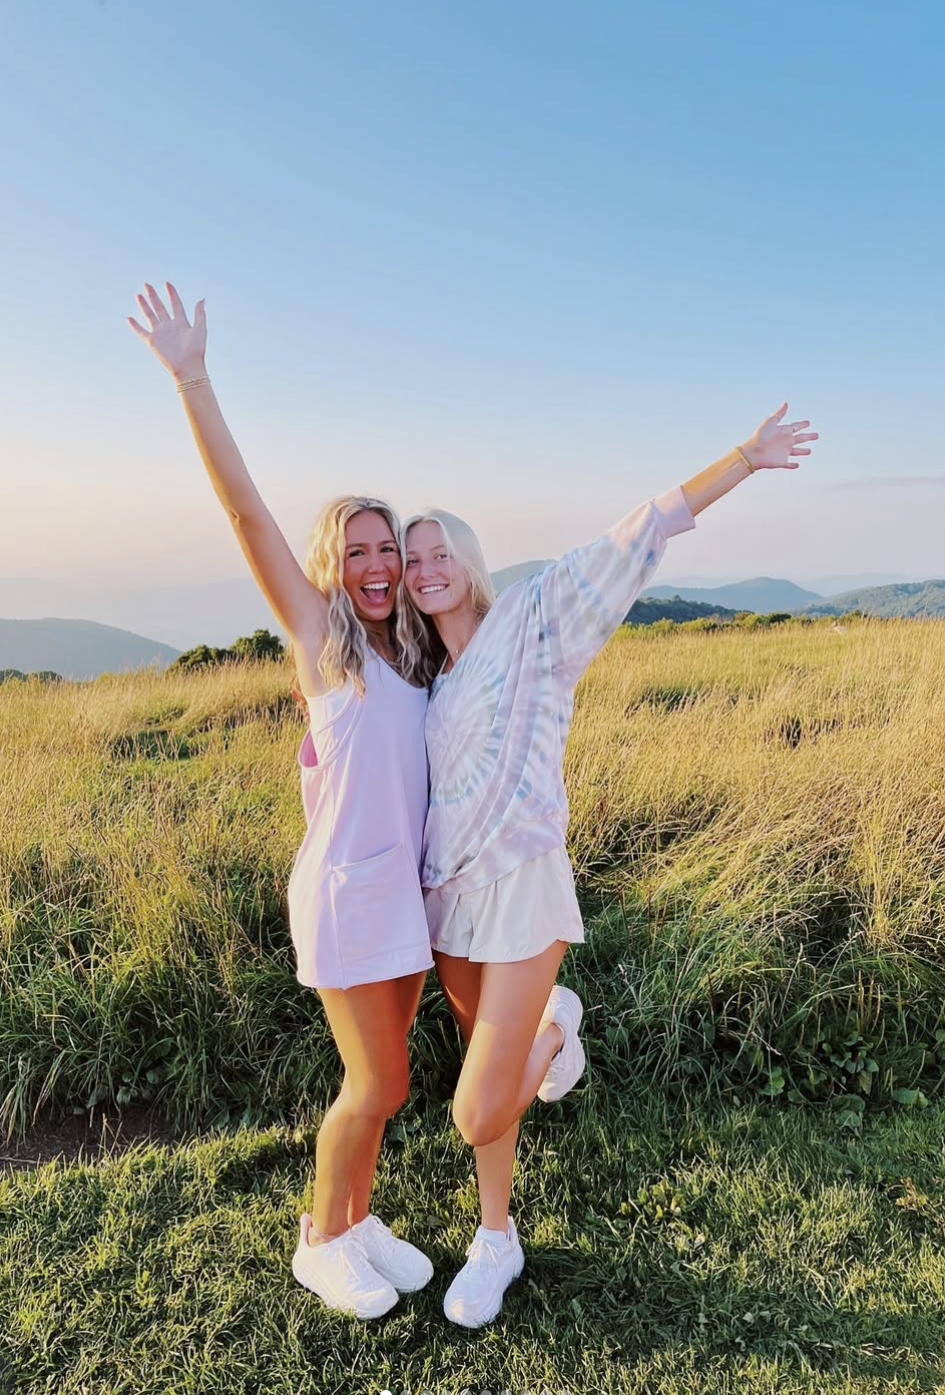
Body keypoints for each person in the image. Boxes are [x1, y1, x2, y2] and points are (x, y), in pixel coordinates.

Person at [400, 405, 818, 1327]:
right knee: (483, 1080)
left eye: (440, 551)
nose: (426, 568)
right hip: (451, 899)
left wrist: (743, 459)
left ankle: (557, 1027)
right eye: (412, 556)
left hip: (525, 888)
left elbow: (640, 529)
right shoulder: (428, 677)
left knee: (474, 1109)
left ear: (468, 560)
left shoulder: (533, 619)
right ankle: (496, 1238)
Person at [127, 283, 439, 1320]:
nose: (377, 565)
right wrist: (192, 379)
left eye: (387, 548)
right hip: (347, 895)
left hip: (404, 895)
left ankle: (359, 1217)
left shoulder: (415, 653)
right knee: (375, 1083)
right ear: (330, 566)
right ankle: (320, 1239)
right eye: (357, 550)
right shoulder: (322, 641)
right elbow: (245, 512)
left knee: (390, 1080)